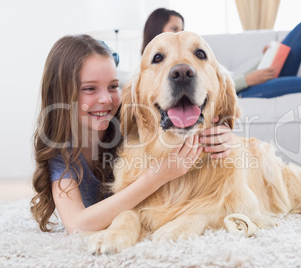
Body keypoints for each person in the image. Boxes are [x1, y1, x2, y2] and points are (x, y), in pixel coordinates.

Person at [30, 34, 234, 233]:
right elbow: (76, 224)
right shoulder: (60, 153)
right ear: (61, 95)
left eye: (113, 86)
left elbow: (199, 116)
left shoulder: (128, 118)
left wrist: (224, 134)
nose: (105, 100)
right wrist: (157, 176)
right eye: (90, 88)